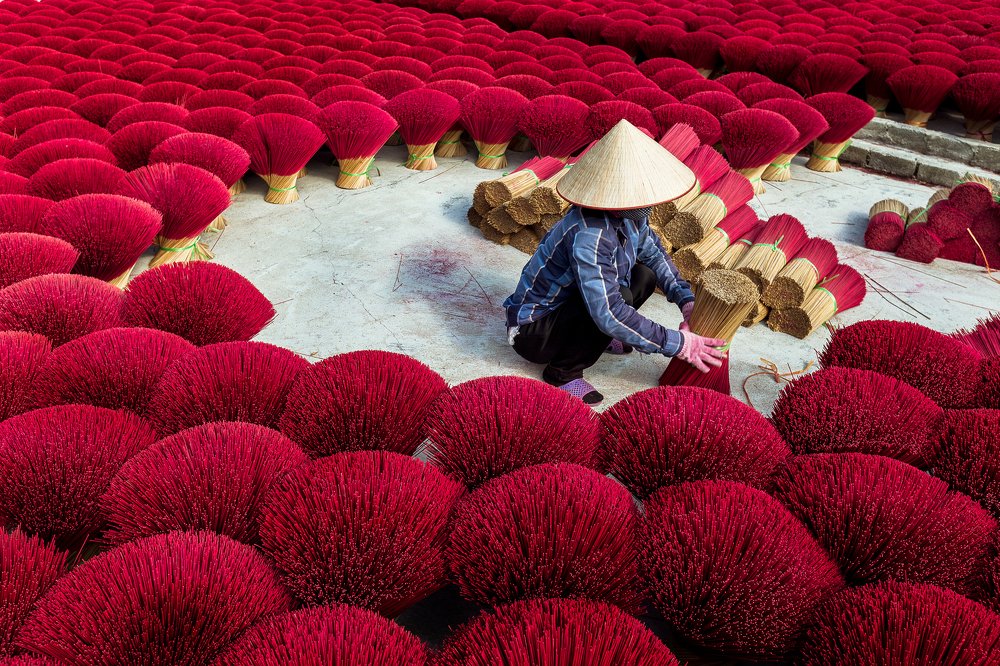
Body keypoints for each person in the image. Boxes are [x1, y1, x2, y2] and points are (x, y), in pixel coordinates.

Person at [503, 120, 727, 405]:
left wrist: (685, 300)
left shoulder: (633, 217)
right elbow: (608, 311)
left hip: (574, 308)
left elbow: (655, 255)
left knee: (644, 275)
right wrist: (679, 344)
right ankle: (563, 372)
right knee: (615, 302)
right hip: (535, 331)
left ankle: (596, 339)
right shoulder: (590, 234)